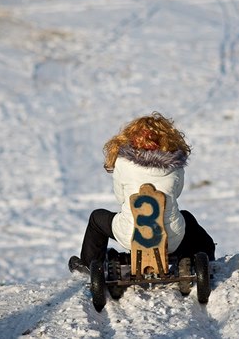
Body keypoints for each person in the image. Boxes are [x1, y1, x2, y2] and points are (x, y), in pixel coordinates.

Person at [69, 112, 215, 274]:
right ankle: (200, 258)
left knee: (97, 219)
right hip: (170, 239)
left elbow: (121, 198)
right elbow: (176, 193)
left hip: (131, 235)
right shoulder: (175, 166)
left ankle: (89, 264)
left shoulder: (122, 163)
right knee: (187, 219)